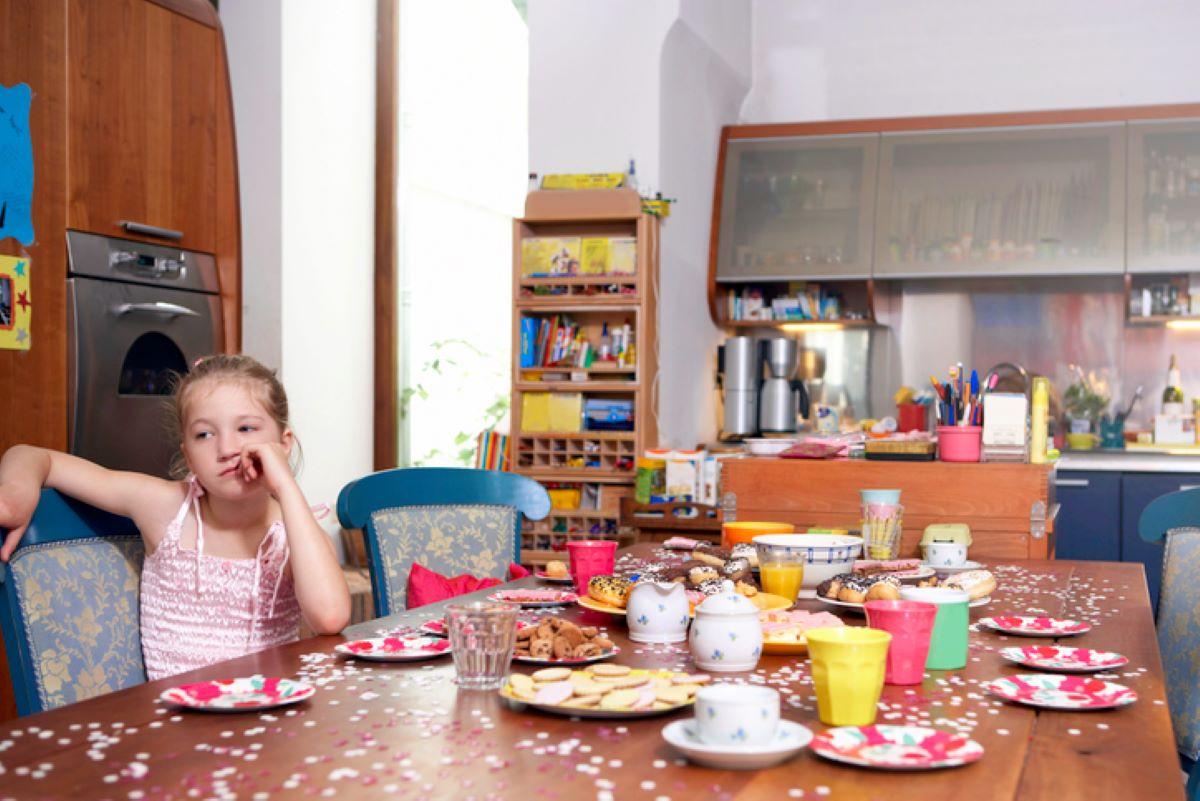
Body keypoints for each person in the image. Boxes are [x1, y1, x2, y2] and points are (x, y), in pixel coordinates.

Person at [0, 354, 350, 680]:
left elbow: (330, 617)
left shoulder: (292, 530)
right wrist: (14, 495)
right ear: (187, 453)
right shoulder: (164, 508)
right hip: (176, 728)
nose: (227, 449)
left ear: (283, 443)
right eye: (204, 434)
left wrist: (285, 485)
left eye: (246, 429)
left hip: (271, 720)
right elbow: (35, 456)